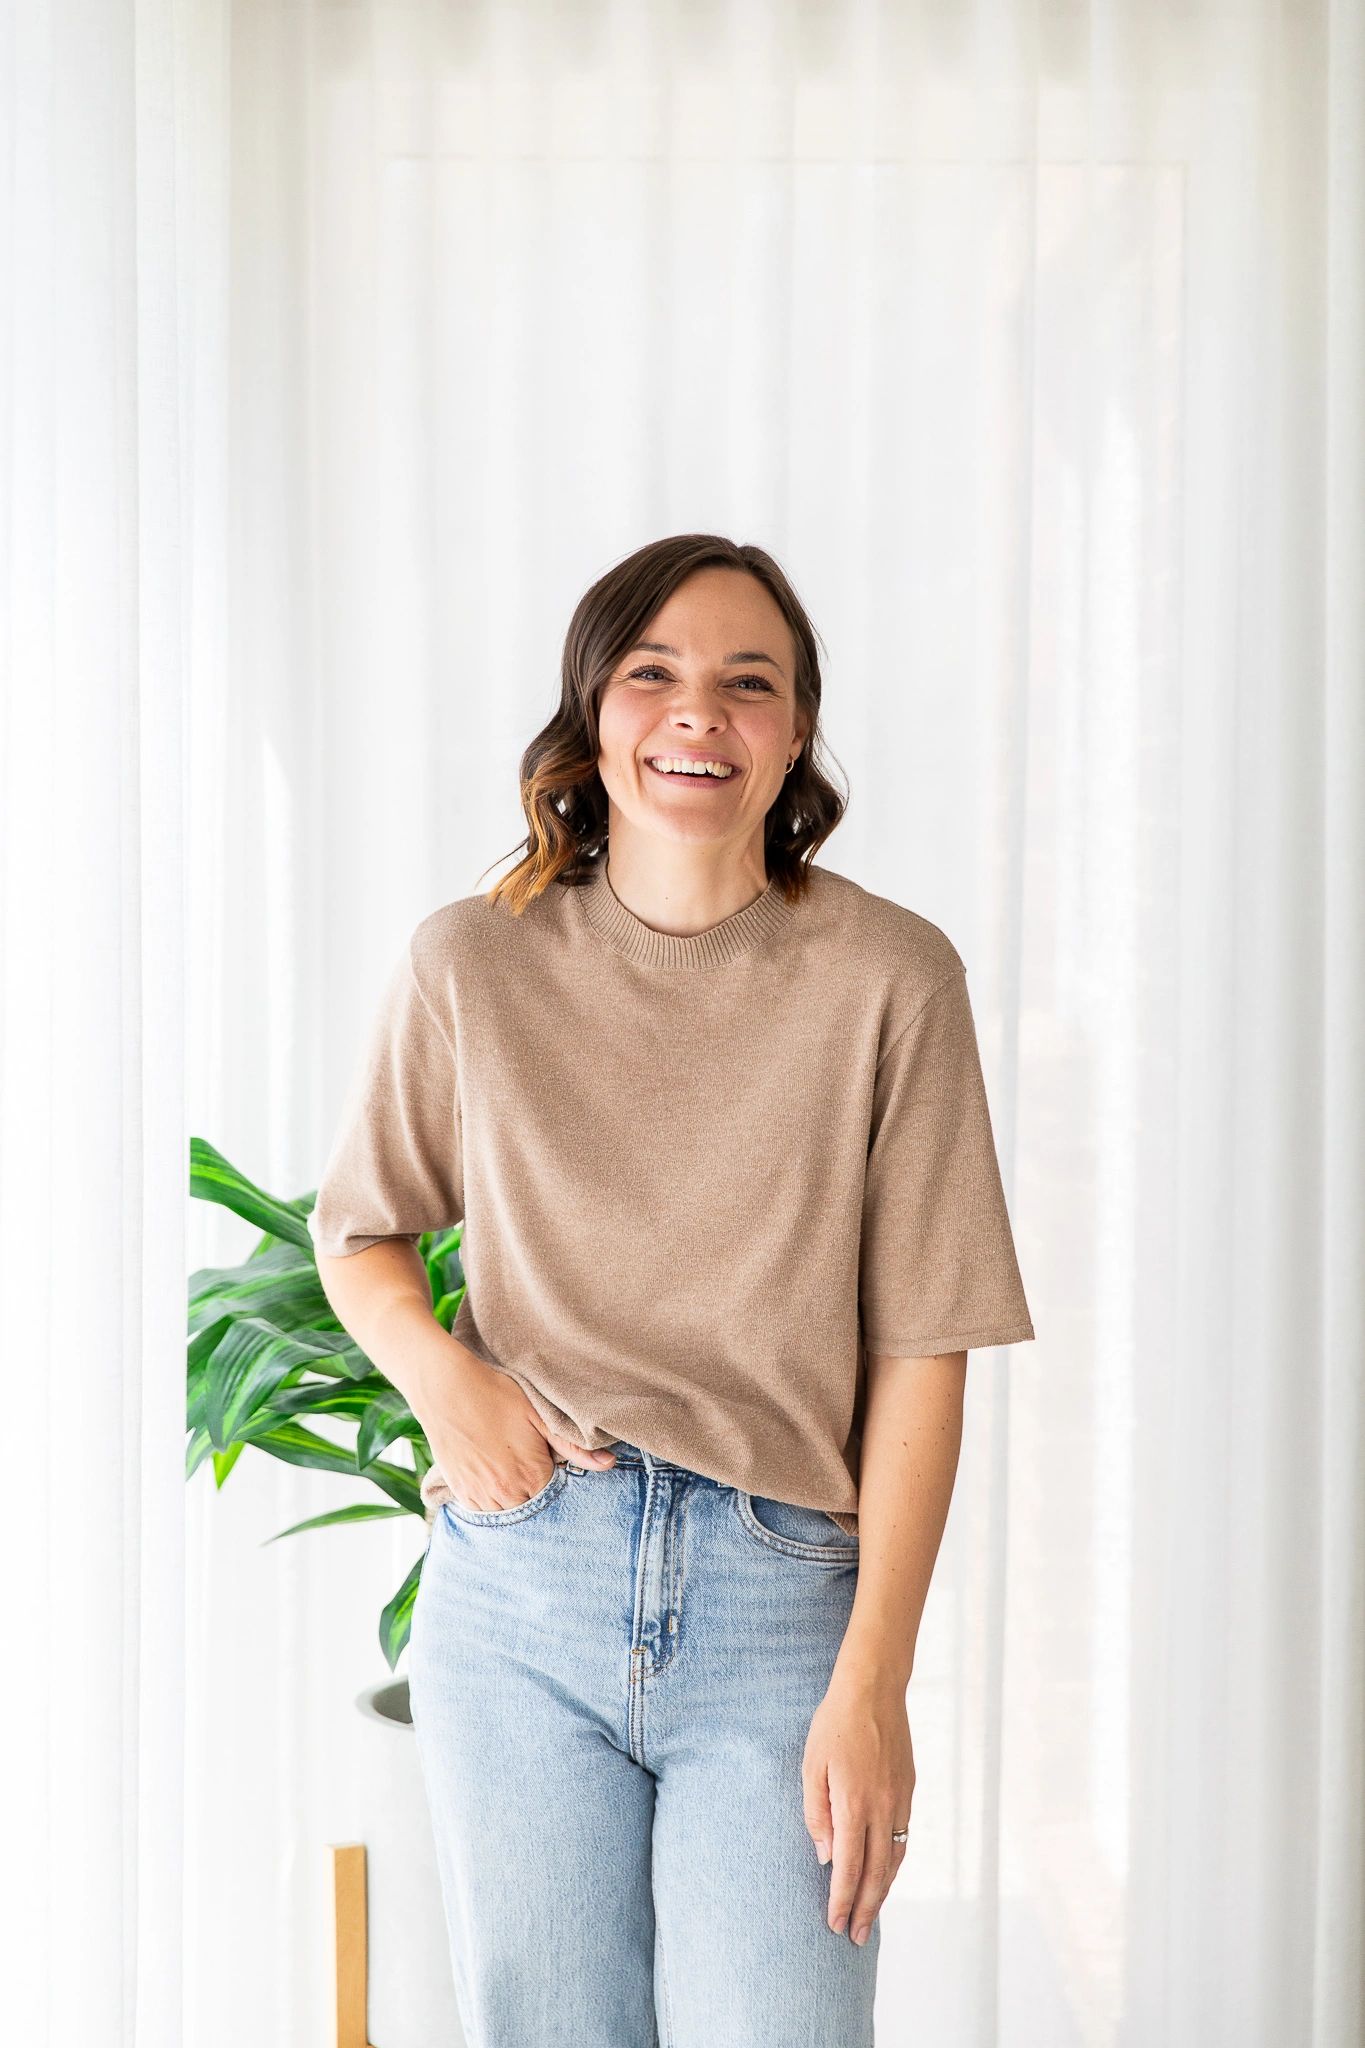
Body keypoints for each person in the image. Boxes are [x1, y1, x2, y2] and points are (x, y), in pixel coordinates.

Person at [310, 533, 1035, 2047]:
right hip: (520, 1592)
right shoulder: (472, 962)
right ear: (593, 721)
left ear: (792, 734)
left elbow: (923, 1349)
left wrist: (876, 1684)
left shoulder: (893, 981)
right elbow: (359, 1230)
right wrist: (452, 1387)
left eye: (746, 683)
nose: (698, 713)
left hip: (783, 1606)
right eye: (654, 675)